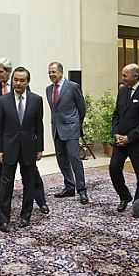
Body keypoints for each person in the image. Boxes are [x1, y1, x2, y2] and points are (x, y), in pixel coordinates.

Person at [0, 59, 49, 216]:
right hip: (5, 140)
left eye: (1, 71)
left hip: (26, 143)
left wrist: (39, 147)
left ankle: (40, 202)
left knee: (32, 176)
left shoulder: (30, 94)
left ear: (8, 71)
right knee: (0, 174)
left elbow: (35, 120)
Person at [0, 67, 44, 232]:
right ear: (12, 80)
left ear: (28, 82)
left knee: (29, 183)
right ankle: (3, 219)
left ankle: (25, 216)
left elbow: (39, 126)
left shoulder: (36, 100)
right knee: (6, 184)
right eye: (15, 79)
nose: (18, 83)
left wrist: (40, 148)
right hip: (9, 148)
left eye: (22, 80)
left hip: (29, 148)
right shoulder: (2, 101)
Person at [109, 63, 139, 213]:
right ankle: (124, 196)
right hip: (120, 141)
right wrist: (116, 134)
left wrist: (130, 137)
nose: (122, 78)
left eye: (125, 75)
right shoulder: (122, 91)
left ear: (135, 76)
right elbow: (116, 114)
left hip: (137, 142)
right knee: (114, 168)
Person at [46, 62, 88, 204]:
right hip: (56, 129)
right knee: (61, 159)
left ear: (61, 72)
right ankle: (69, 186)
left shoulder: (72, 86)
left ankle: (82, 190)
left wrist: (76, 124)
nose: (52, 75)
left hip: (71, 128)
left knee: (74, 158)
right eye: (49, 72)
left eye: (54, 72)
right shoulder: (48, 90)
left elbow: (81, 108)